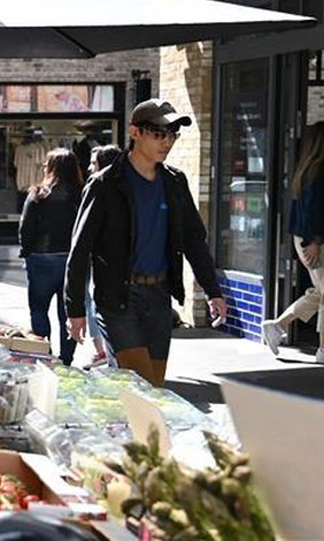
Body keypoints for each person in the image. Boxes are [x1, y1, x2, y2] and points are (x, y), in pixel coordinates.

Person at [65, 99, 227, 387]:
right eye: (158, 134)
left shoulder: (175, 182)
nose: (167, 142)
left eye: (172, 135)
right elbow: (80, 248)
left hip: (159, 297)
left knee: (154, 385)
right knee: (137, 381)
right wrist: (75, 309)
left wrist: (213, 290)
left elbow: (194, 240)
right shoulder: (106, 184)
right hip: (118, 297)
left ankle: (129, 431)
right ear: (135, 132)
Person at [262, 122, 324, 364]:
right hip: (316, 240)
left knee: (321, 291)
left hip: (308, 238)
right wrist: (315, 241)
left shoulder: (307, 169)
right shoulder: (321, 169)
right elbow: (314, 210)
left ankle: (277, 326)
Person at [18, 148, 83, 366]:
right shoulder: (82, 195)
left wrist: (26, 251)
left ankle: (43, 351)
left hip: (41, 257)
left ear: (51, 168)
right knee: (69, 312)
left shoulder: (38, 194)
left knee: (38, 308)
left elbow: (26, 227)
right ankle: (66, 359)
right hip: (72, 260)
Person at [84, 144, 122, 366]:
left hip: (109, 266)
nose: (89, 168)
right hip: (102, 262)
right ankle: (105, 353)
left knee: (97, 307)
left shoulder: (99, 188)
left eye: (93, 163)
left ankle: (107, 354)